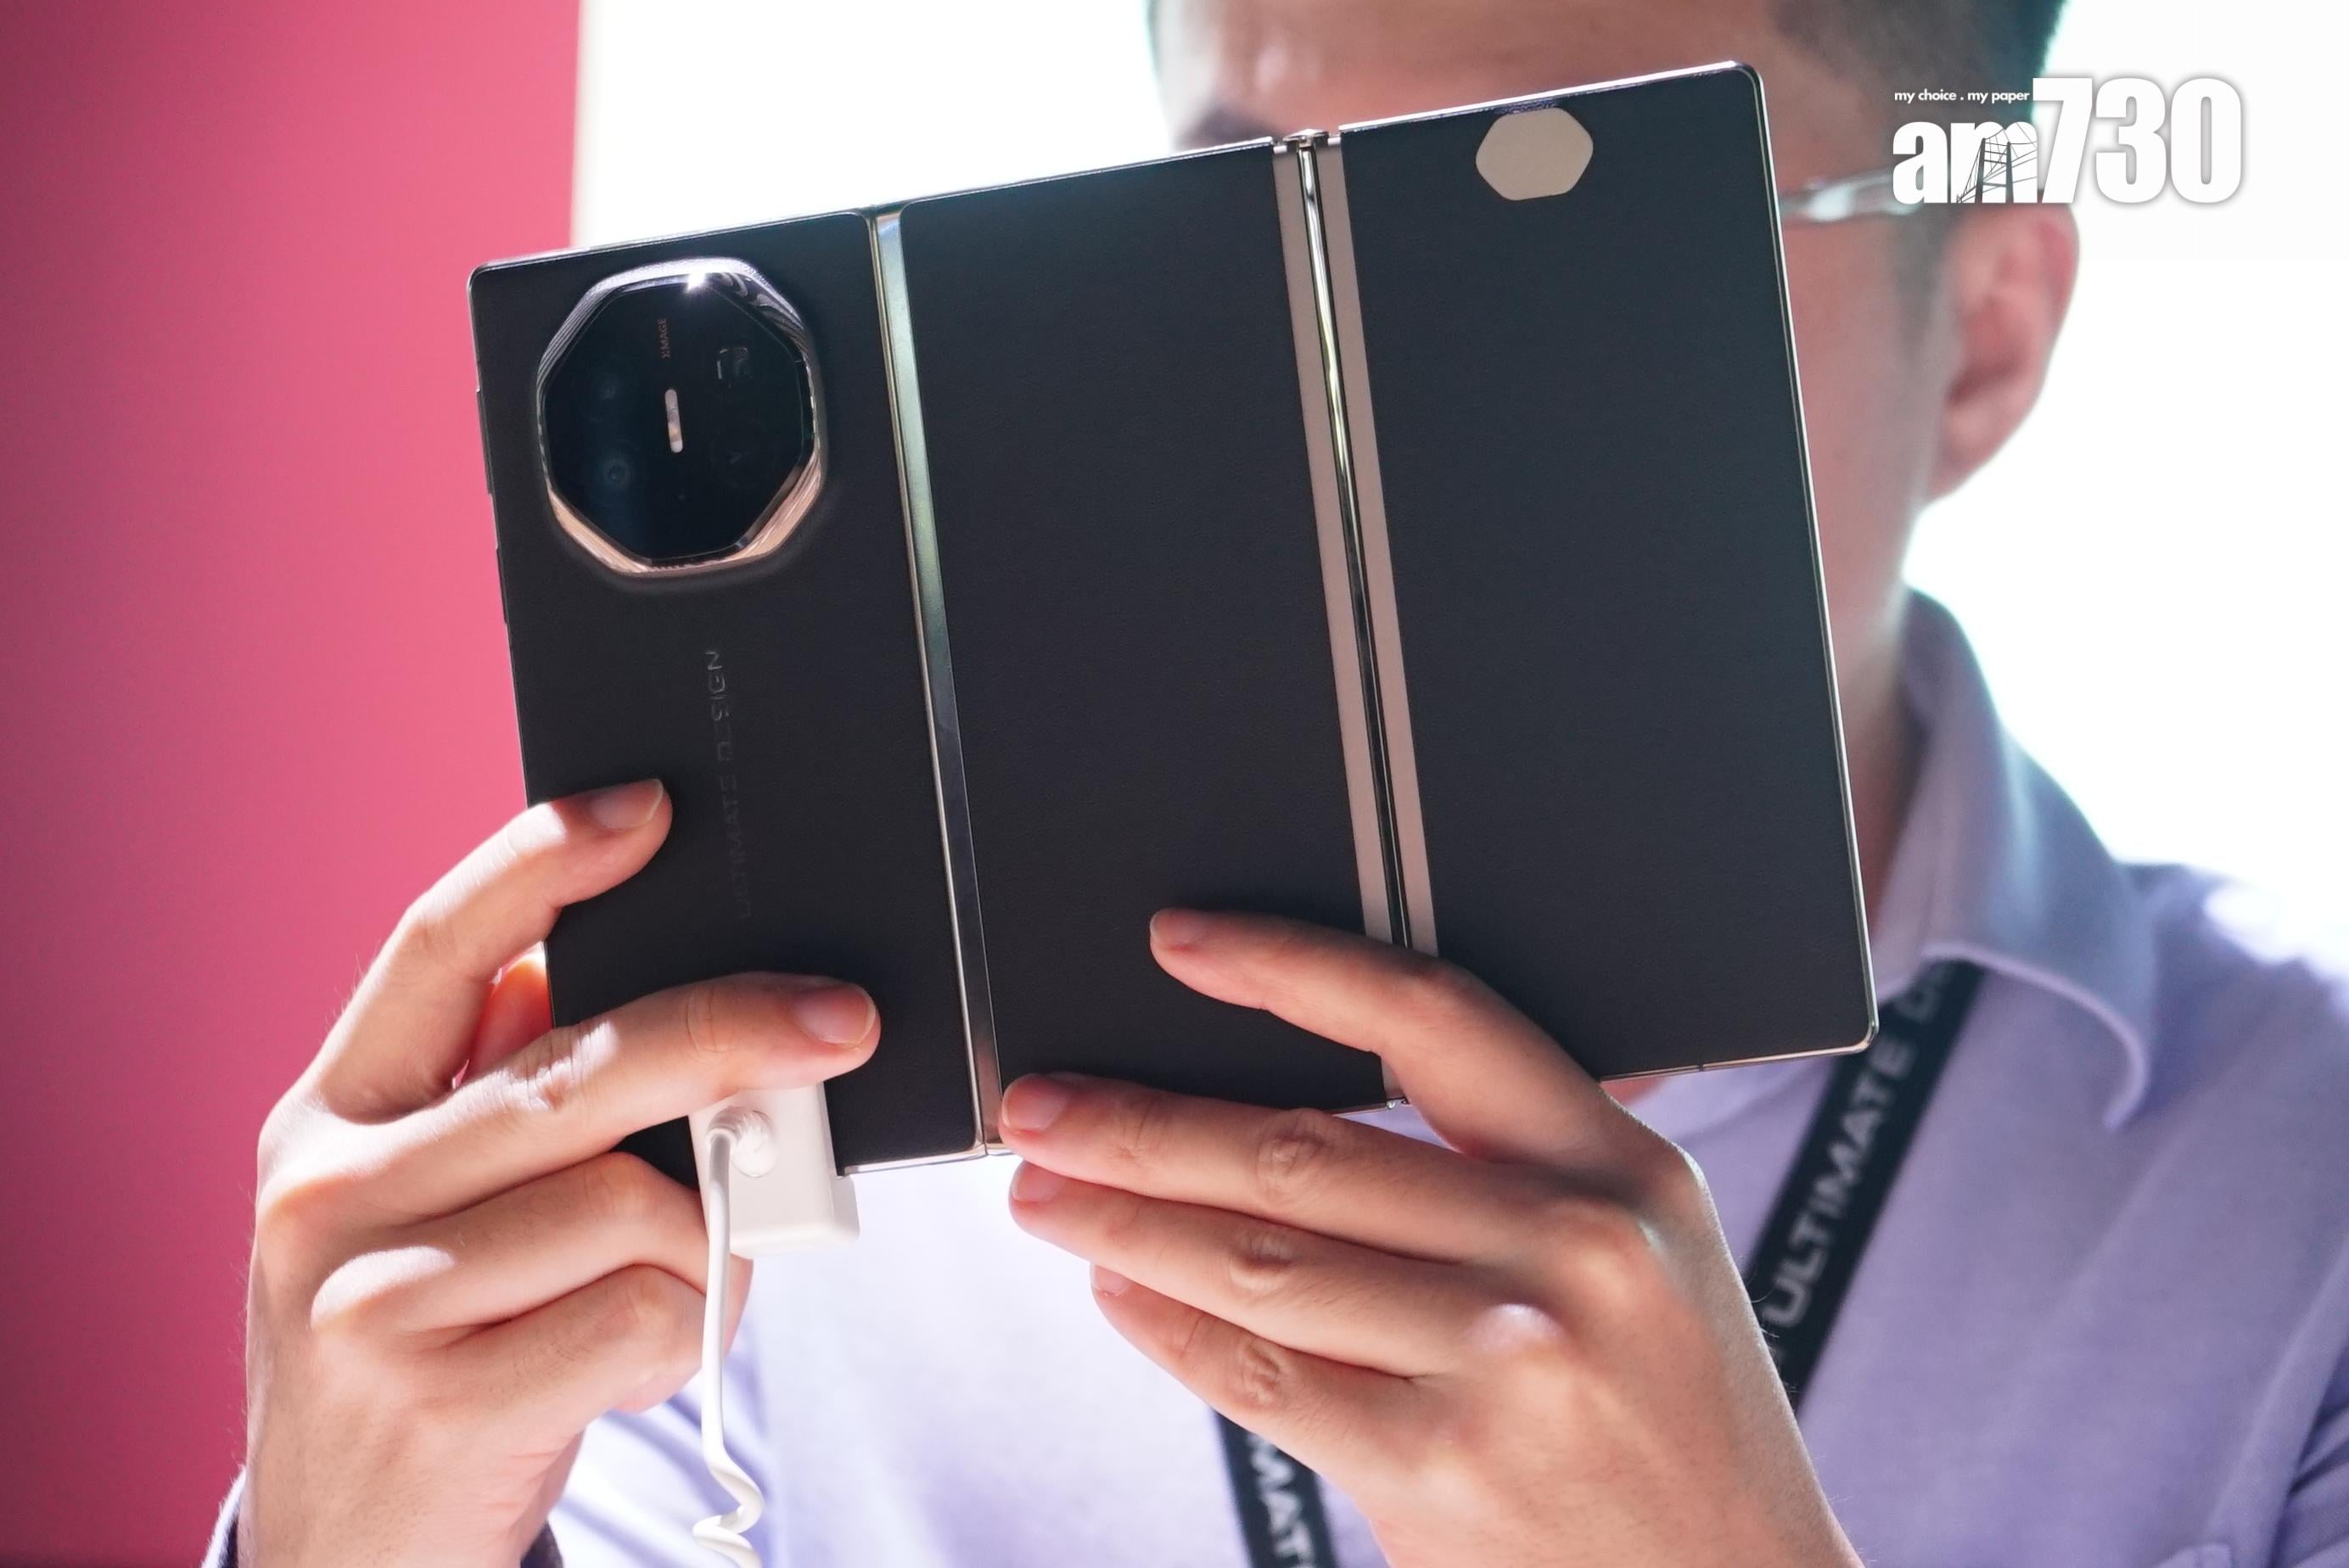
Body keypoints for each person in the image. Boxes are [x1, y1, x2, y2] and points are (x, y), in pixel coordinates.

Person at [214, 0, 2349, 1564]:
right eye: (1242, 222)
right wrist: (343, 1534)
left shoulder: (2306, 1192)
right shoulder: (791, 1112)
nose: (1342, 395)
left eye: (1542, 211)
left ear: (1984, 328)